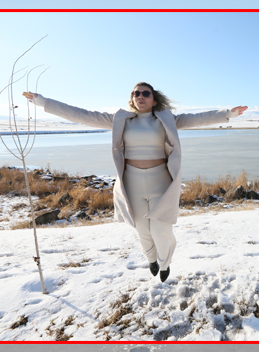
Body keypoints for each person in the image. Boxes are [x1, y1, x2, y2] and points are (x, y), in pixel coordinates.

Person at [23, 84, 247, 282]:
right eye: (136, 93)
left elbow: (199, 118)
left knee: (162, 229)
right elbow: (80, 114)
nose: (140, 96)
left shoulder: (167, 118)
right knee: (142, 229)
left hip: (160, 179)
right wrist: (43, 102)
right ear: (132, 98)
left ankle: (165, 262)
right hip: (131, 181)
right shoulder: (119, 119)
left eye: (145, 93)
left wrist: (228, 113)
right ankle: (151, 259)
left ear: (154, 99)